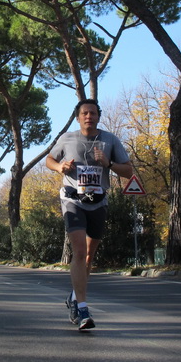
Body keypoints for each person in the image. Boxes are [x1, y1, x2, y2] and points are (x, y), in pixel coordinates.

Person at [46, 99, 132, 331]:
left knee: (88, 256)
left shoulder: (110, 140)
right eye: (84, 113)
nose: (89, 117)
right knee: (79, 251)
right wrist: (60, 167)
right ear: (78, 117)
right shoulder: (67, 138)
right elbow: (49, 159)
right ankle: (83, 309)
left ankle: (74, 296)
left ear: (98, 117)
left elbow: (128, 170)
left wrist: (109, 164)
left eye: (93, 113)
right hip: (73, 200)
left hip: (98, 201)